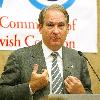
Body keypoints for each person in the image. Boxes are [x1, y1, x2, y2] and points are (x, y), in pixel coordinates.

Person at [0, 4, 92, 100]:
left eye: (61, 25)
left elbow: (89, 93)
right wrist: (31, 87)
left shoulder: (78, 58)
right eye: (50, 25)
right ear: (40, 27)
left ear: (67, 28)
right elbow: (2, 92)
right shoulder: (19, 57)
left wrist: (81, 93)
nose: (56, 31)